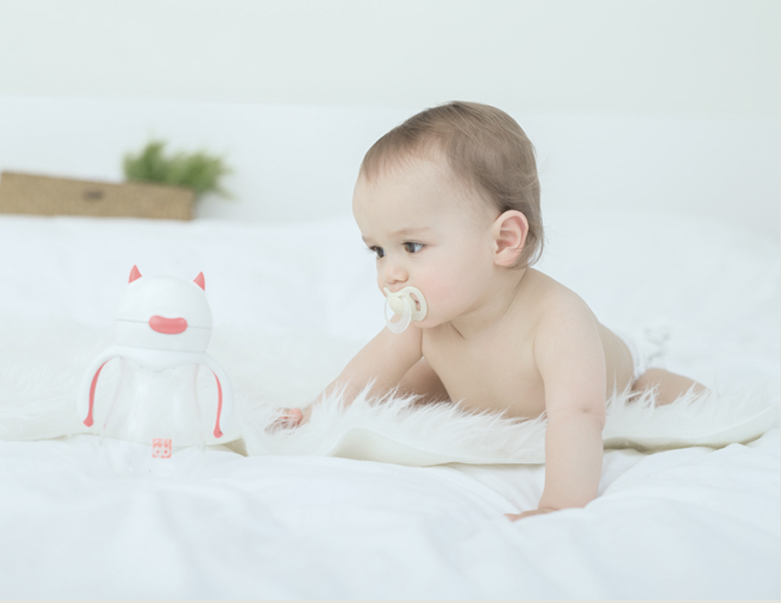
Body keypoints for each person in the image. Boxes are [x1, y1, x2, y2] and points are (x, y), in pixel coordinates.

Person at [272, 101, 707, 520]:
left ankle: (690, 390)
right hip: (481, 379)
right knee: (406, 387)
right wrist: (315, 415)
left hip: (618, 376)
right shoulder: (430, 320)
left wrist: (559, 504)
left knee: (653, 388)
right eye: (379, 251)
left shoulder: (557, 319)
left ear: (501, 241)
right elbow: (363, 374)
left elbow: (580, 416)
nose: (390, 273)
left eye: (412, 246)